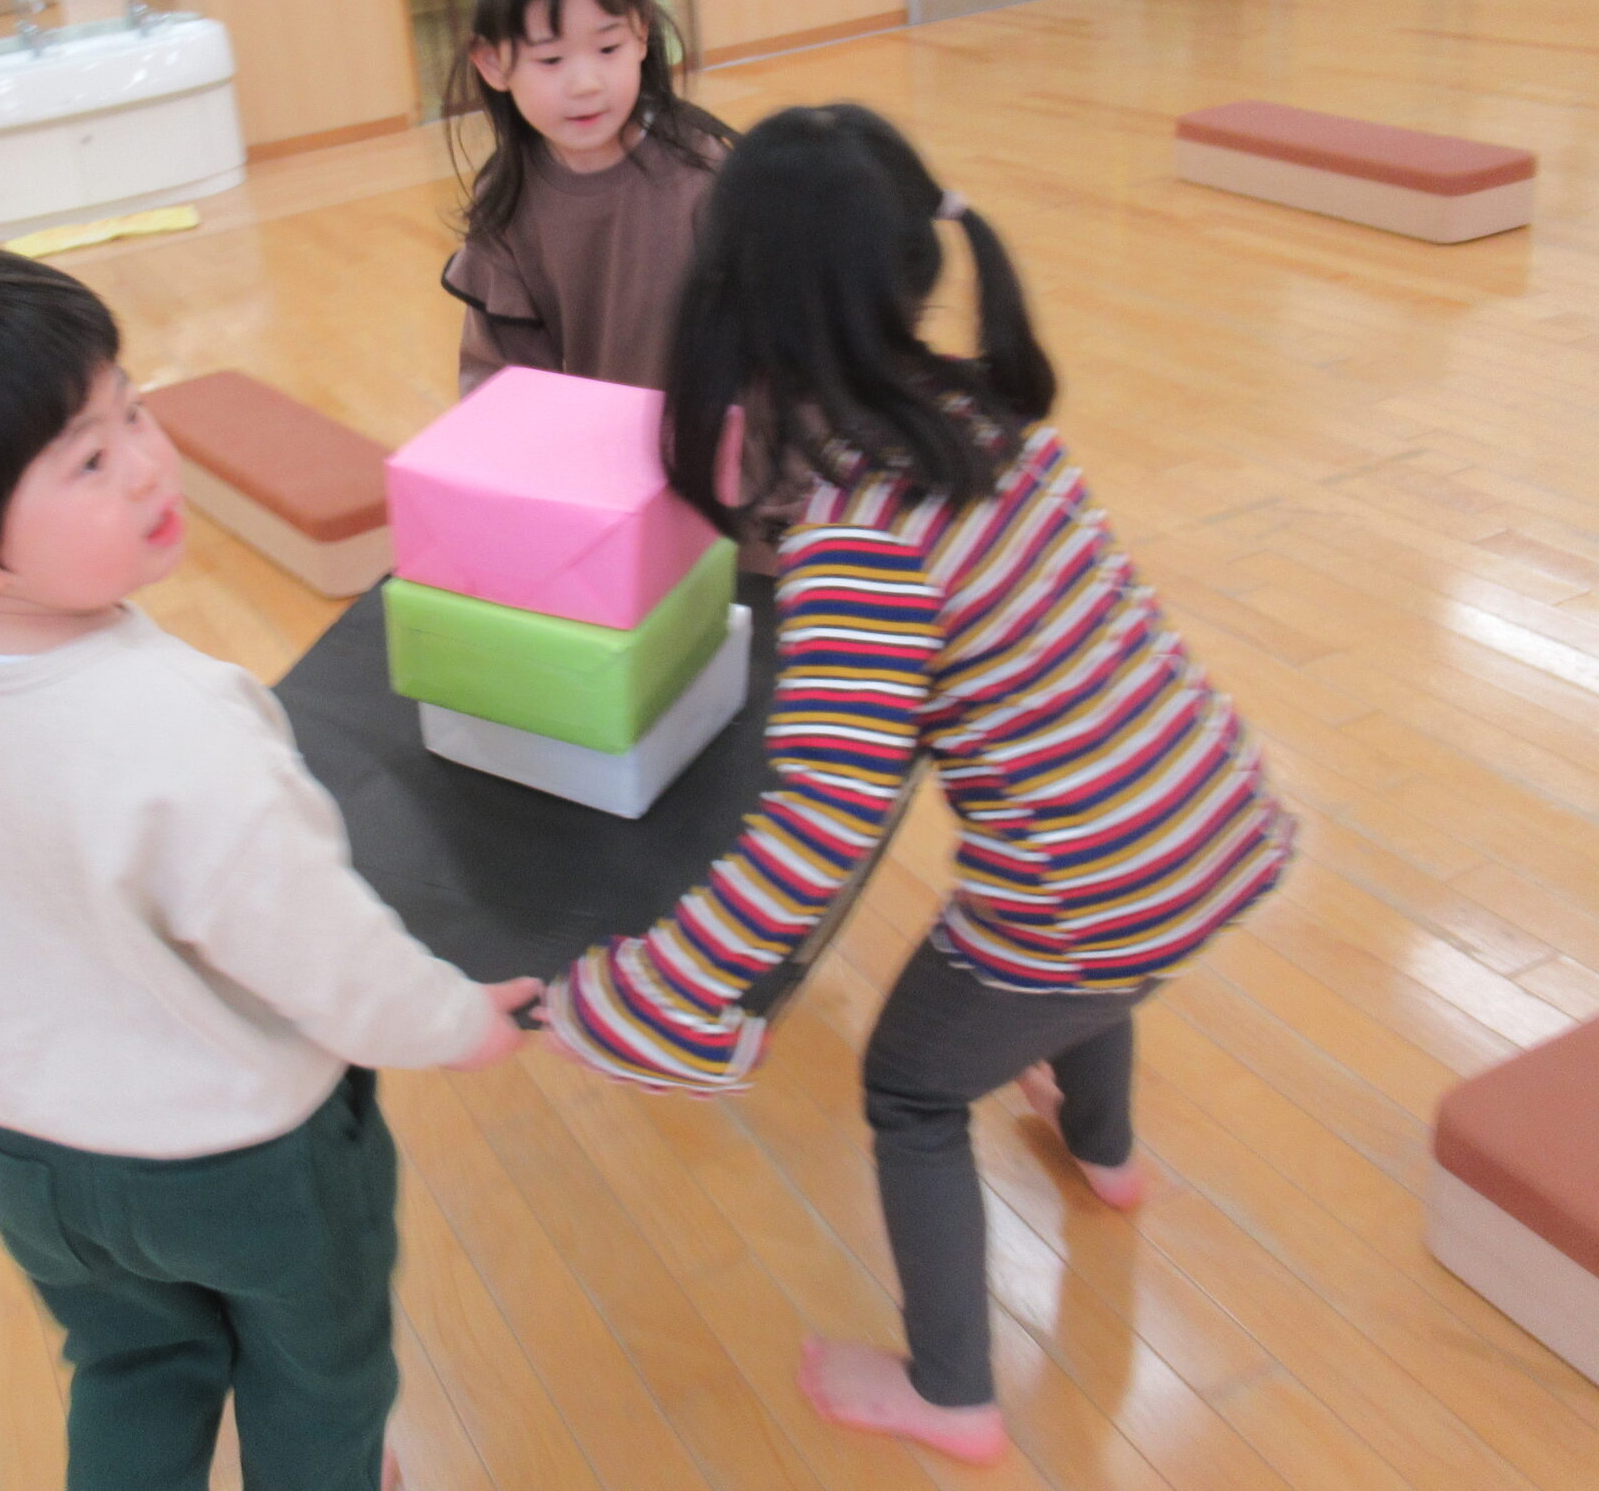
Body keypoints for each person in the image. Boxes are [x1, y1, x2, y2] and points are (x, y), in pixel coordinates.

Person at [541, 105, 1297, 1467]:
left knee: (910, 1084)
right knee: (1094, 952)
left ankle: (951, 1391)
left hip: (1090, 899)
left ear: (737, 307)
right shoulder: (986, 418)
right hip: (1206, 824)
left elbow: (814, 830)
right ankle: (1105, 1150)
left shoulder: (859, 539)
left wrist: (643, 985)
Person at [0, 247, 538, 1491]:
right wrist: (454, 1022)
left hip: (31, 1150)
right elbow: (321, 952)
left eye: (129, 410)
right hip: (245, 1157)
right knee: (319, 1378)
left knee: (133, 1370)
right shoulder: (177, 724)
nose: (146, 462)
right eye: (87, 461)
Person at [439, 0, 735, 397]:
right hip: (592, 443)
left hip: (717, 435)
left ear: (641, 33)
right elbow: (505, 387)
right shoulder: (507, 206)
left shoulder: (705, 171)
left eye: (608, 47)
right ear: (492, 62)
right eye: (551, 59)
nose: (585, 84)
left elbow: (778, 342)